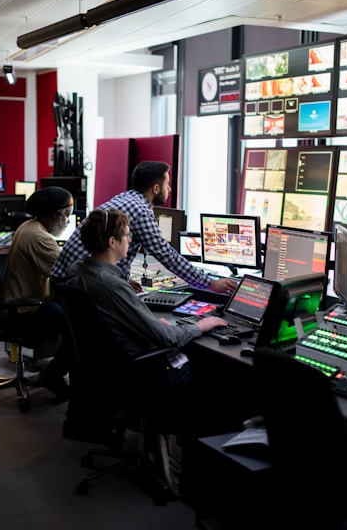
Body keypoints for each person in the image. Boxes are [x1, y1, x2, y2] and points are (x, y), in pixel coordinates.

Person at [64, 207, 229, 496]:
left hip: (110, 368)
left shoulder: (79, 270)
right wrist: (201, 325)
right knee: (217, 372)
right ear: (112, 242)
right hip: (139, 371)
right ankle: (187, 469)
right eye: (127, 236)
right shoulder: (113, 286)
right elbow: (165, 336)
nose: (130, 241)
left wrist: (149, 321)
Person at [51, 160, 237, 295]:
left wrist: (123, 281)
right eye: (167, 184)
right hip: (84, 286)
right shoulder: (140, 211)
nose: (169, 189)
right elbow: (167, 255)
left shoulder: (124, 198)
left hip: (66, 282)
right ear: (156, 189)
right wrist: (211, 283)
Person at [0, 186, 74, 400]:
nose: (68, 221)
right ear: (55, 214)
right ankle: (53, 375)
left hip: (21, 304)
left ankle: (52, 373)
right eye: (66, 216)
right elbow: (71, 269)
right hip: (25, 311)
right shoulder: (39, 237)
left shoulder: (29, 227)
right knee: (78, 328)